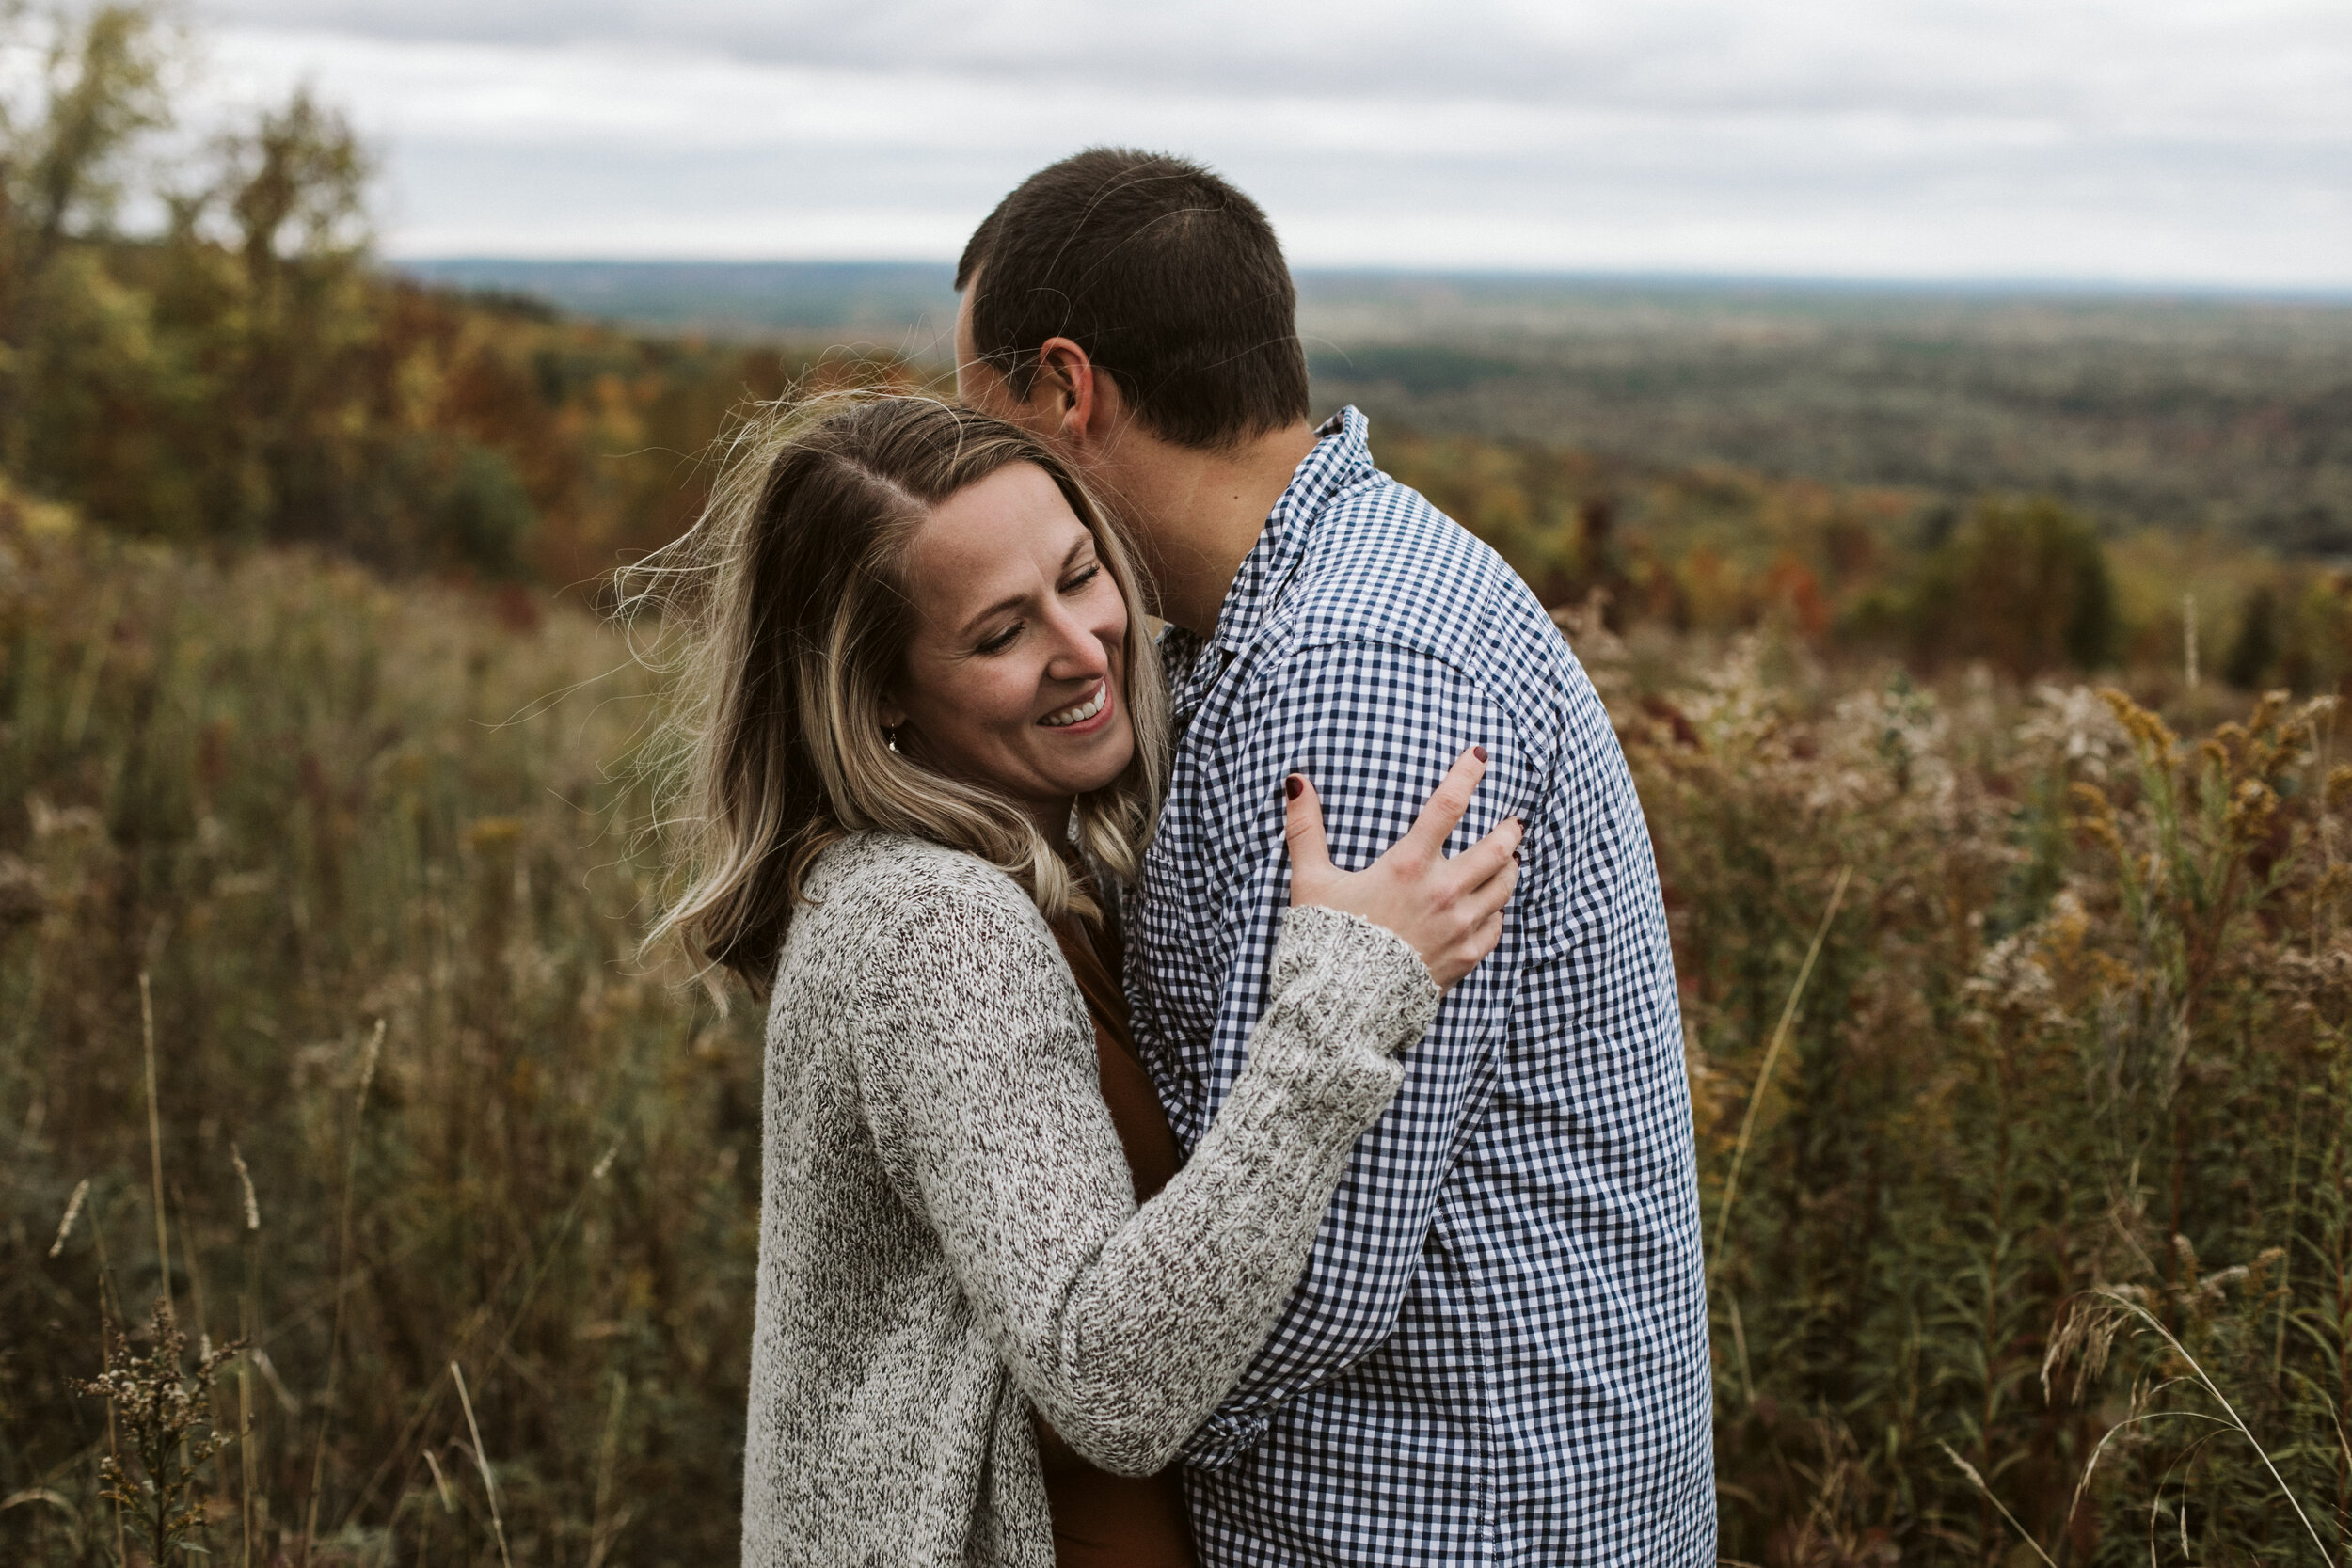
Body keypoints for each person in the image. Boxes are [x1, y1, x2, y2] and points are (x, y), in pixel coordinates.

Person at [953, 149, 1715, 1565]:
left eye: (979, 416)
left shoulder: (1359, 668)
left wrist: (1053, 1425)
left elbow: (1324, 1262)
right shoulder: (1255, 627)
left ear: (1068, 388)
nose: (970, 464)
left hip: (1438, 1516)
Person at [633, 392, 1524, 1566]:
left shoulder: (1033, 879)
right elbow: (1110, 1383)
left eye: (1081, 573)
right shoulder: (930, 926)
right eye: (1001, 633)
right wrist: (1340, 1007)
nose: (1085, 641)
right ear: (881, 693)